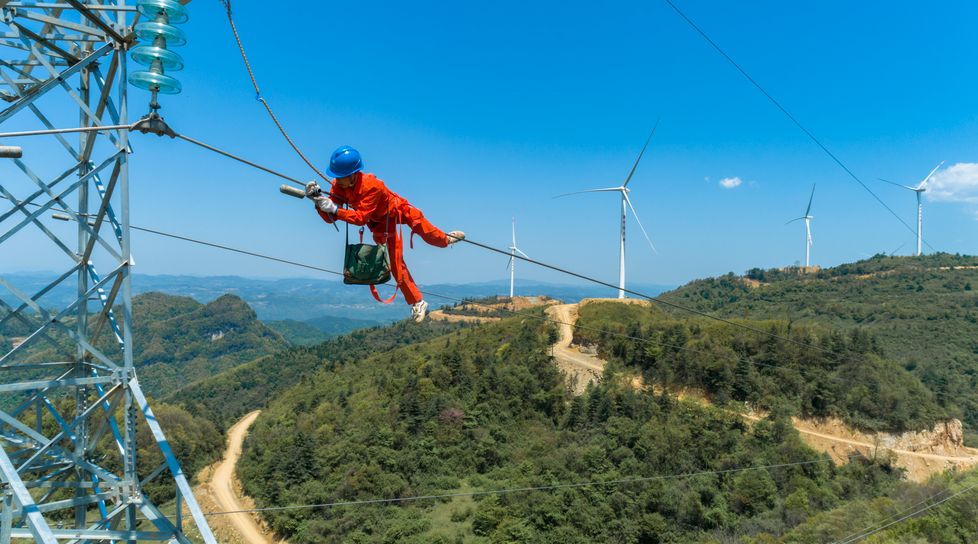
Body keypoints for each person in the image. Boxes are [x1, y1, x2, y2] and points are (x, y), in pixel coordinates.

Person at [305, 145, 464, 322]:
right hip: (380, 223)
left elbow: (359, 218)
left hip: (395, 211)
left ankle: (445, 240)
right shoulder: (338, 185)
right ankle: (417, 302)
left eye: (340, 177)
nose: (336, 180)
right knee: (395, 262)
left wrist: (334, 209)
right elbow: (331, 218)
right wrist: (319, 203)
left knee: (424, 229)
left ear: (352, 175)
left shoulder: (372, 186)